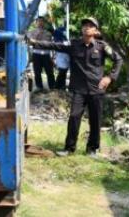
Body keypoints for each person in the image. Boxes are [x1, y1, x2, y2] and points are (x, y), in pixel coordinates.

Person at [27, 17, 122, 156]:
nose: (86, 27)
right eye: (84, 25)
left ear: (96, 30)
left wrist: (110, 77)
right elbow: (55, 45)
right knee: (74, 117)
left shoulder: (102, 46)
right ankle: (69, 148)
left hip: (97, 89)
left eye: (90, 25)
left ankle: (92, 149)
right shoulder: (74, 44)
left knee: (95, 120)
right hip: (79, 89)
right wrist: (34, 43)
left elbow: (118, 59)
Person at [28, 16, 56, 91]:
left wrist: (53, 57)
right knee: (37, 72)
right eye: (39, 21)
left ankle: (52, 87)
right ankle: (39, 87)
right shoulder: (31, 32)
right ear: (36, 23)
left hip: (46, 55)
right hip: (36, 54)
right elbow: (29, 42)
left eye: (42, 21)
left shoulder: (48, 33)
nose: (40, 23)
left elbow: (51, 45)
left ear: (44, 23)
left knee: (50, 72)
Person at [52, 25, 70, 90]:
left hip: (63, 61)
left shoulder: (63, 42)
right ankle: (58, 87)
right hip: (63, 61)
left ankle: (59, 87)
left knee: (62, 75)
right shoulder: (64, 42)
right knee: (62, 75)